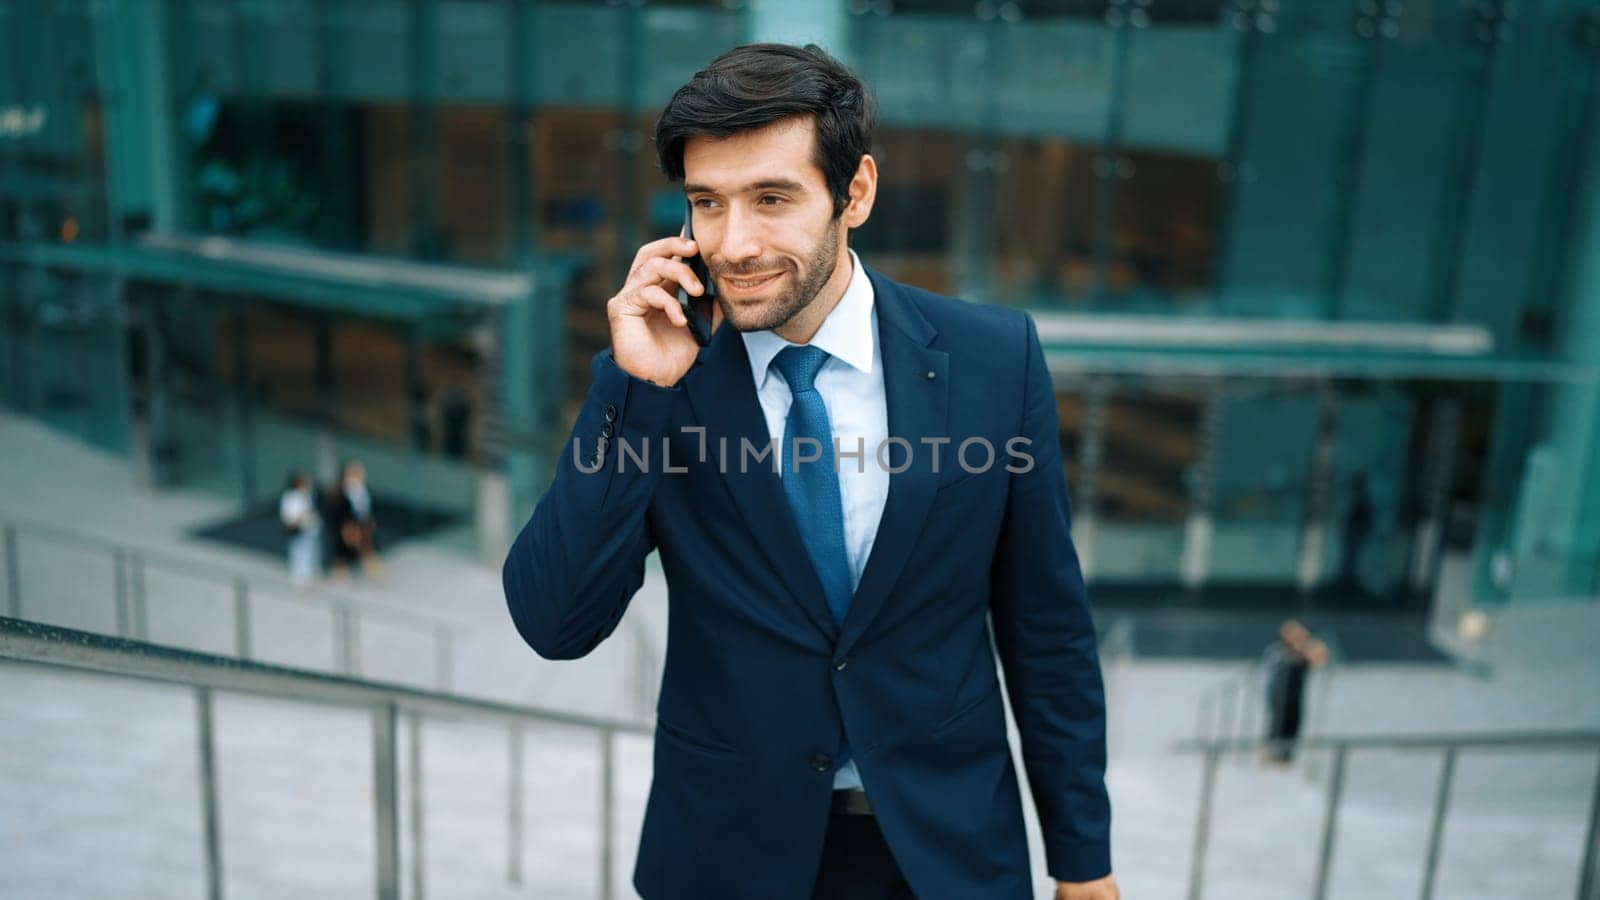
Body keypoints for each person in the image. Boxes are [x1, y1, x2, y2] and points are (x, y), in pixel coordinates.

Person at [502, 44, 1115, 900]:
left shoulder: (994, 358)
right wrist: (632, 389)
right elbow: (552, 622)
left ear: (854, 192)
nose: (734, 243)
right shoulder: (666, 378)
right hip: (727, 854)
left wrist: (1083, 860)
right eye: (706, 204)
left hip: (943, 852)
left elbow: (1046, 630)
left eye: (772, 199)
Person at [1262, 619, 1329, 765]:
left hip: (1295, 695)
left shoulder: (1303, 653)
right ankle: (1270, 753)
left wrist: (1312, 651)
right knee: (1278, 722)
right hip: (1278, 693)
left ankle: (1286, 756)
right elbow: (1278, 663)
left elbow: (1318, 660)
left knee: (1294, 722)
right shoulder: (1277, 651)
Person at [326, 458, 383, 582]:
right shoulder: (340, 492)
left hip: (362, 525)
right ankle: (341, 575)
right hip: (347, 527)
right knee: (342, 552)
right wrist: (346, 526)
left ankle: (374, 573)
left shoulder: (362, 490)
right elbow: (337, 512)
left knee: (366, 549)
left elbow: (366, 508)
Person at [278, 470, 322, 590]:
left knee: (311, 554)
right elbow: (288, 517)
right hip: (298, 531)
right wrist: (301, 518)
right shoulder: (291, 497)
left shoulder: (308, 495)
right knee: (299, 555)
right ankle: (300, 582)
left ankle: (310, 578)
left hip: (310, 530)